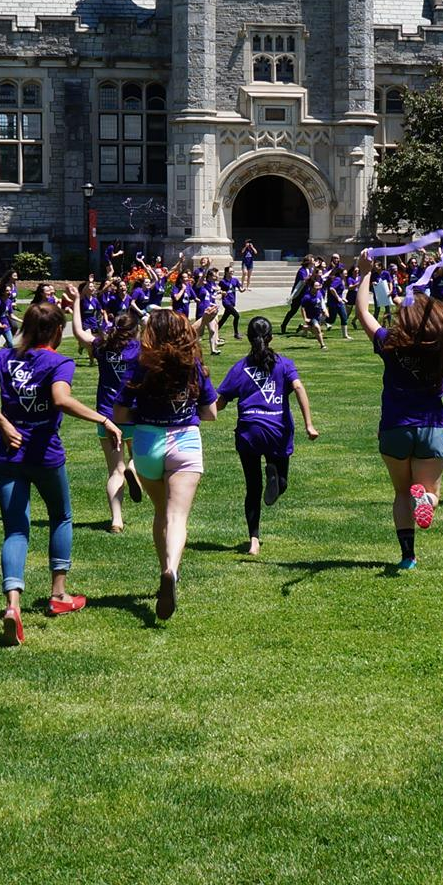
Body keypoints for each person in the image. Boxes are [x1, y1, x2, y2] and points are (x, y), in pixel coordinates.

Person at [0, 296, 121, 646]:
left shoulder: (6, 357)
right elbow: (61, 400)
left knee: (16, 531)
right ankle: (59, 595)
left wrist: (3, 422)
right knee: (61, 517)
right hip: (45, 454)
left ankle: (12, 606)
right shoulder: (58, 362)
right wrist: (103, 418)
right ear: (55, 332)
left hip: (7, 454)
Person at [355, 250, 443, 569]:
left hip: (394, 427)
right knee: (428, 491)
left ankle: (408, 556)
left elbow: (363, 311)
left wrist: (366, 271)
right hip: (433, 427)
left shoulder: (389, 342)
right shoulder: (442, 340)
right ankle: (428, 500)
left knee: (400, 493)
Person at [114, 310, 217, 621]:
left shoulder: (140, 364)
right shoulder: (193, 364)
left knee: (161, 512)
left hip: (147, 441)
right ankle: (171, 569)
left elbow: (119, 413)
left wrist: (140, 417)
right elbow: (211, 412)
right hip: (185, 440)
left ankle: (166, 570)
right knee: (177, 516)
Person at [215, 316, 318, 556]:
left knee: (252, 488)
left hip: (249, 431)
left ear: (249, 339)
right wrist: (309, 424)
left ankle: (253, 541)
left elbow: (219, 404)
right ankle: (274, 472)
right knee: (280, 485)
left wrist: (199, 409)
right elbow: (299, 388)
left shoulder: (240, 368)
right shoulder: (284, 364)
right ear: (270, 338)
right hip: (277, 431)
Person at [71, 292, 144, 534]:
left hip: (106, 416)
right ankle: (135, 469)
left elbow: (80, 334)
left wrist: (75, 303)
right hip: (134, 413)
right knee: (139, 459)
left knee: (114, 470)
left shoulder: (102, 346)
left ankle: (116, 520)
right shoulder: (139, 349)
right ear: (134, 331)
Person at [280, 256, 314, 335]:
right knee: (293, 311)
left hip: (307, 294)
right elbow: (304, 280)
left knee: (309, 310)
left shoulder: (310, 270)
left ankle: (308, 328)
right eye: (312, 261)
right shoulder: (301, 271)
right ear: (308, 262)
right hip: (299, 294)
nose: (314, 262)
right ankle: (283, 325)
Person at [218, 265, 243, 340]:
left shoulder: (235, 280)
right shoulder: (222, 282)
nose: (232, 273)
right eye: (230, 271)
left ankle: (215, 331)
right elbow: (218, 290)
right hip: (226, 301)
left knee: (224, 319)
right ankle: (236, 333)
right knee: (236, 315)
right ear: (226, 272)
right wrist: (221, 292)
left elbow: (240, 289)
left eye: (233, 271)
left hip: (232, 301)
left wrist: (243, 289)